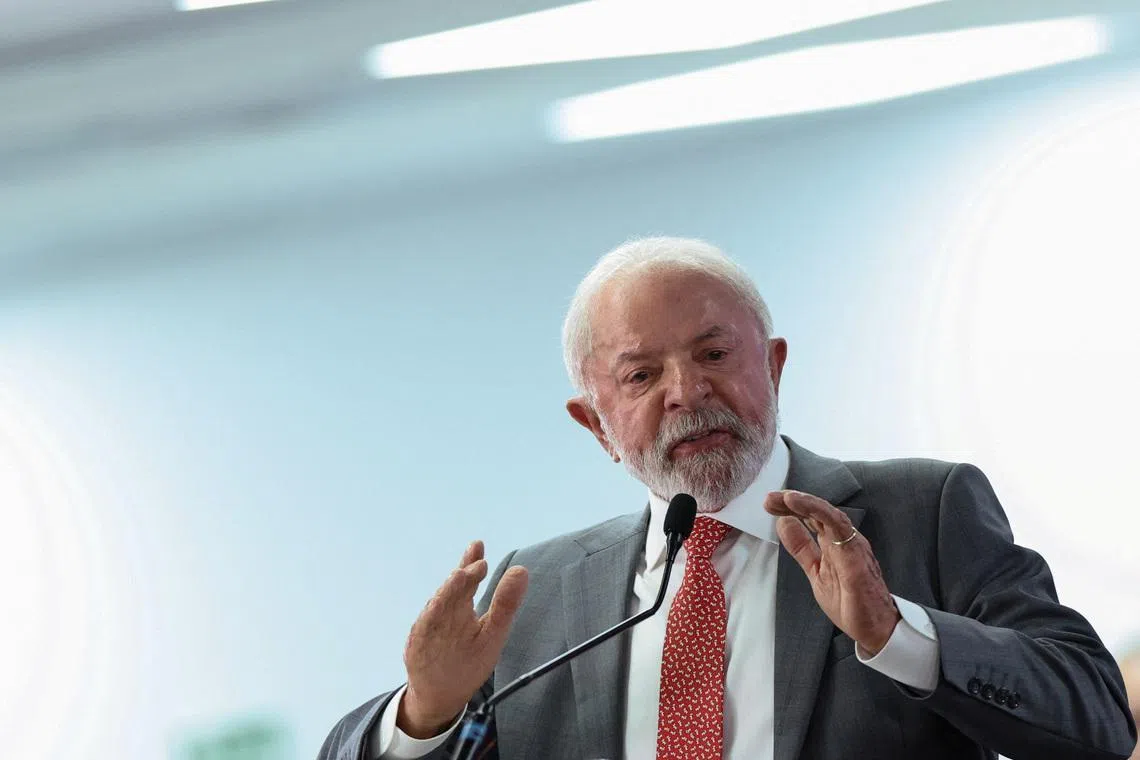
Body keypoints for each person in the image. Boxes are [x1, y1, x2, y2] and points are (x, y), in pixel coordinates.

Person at [317, 237, 1137, 760]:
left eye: (714, 352)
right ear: (594, 422)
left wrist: (898, 635)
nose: (687, 392)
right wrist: (425, 713)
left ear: (772, 366)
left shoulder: (919, 511)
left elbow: (1097, 719)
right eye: (641, 375)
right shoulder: (538, 594)